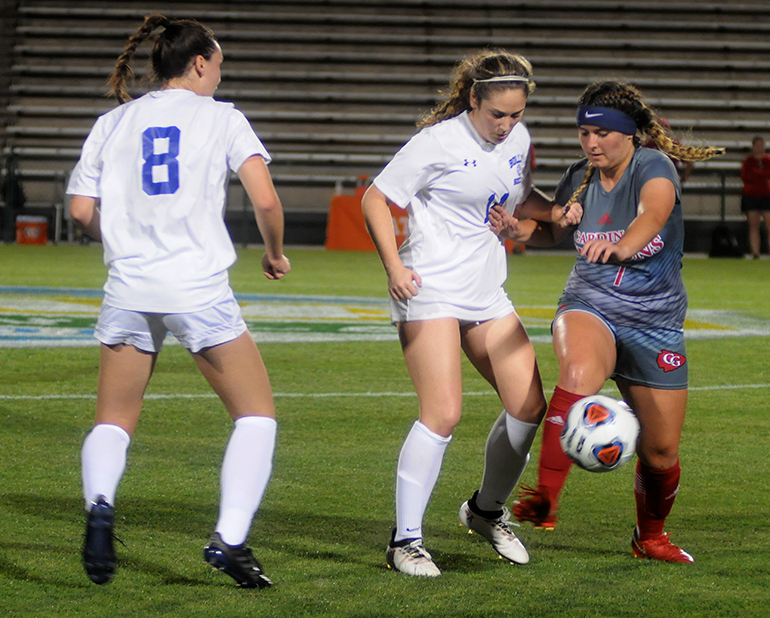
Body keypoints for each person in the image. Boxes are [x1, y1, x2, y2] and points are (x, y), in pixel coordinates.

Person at [67, 14, 290, 588]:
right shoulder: (222, 118)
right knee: (257, 416)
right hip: (197, 287)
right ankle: (231, 539)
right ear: (198, 64)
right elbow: (265, 200)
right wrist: (274, 253)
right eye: (217, 65)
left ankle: (99, 506)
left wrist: (123, 241)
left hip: (128, 286)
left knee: (114, 420)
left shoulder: (113, 122)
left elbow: (80, 212)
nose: (219, 75)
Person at [361, 49, 579, 578]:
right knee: (443, 414)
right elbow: (374, 198)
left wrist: (550, 212)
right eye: (497, 114)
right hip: (429, 287)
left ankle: (483, 511)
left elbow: (517, 200)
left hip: (484, 292)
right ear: (473, 99)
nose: (507, 126)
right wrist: (393, 266)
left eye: (517, 115)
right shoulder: (437, 143)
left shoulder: (518, 141)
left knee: (529, 409)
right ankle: (404, 542)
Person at [491, 80, 723, 563]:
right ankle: (545, 497)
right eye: (583, 134)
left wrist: (622, 245)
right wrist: (520, 231)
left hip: (656, 322)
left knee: (660, 453)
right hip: (589, 303)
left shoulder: (653, 166)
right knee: (577, 373)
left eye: (602, 134)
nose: (592, 144)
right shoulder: (580, 175)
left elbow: (653, 214)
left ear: (629, 134)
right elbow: (552, 229)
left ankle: (649, 538)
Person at [740, 136, 770, 259]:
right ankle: (755, 253)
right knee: (753, 225)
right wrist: (761, 175)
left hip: (766, 195)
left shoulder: (767, 160)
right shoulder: (748, 161)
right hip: (751, 195)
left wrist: (758, 175)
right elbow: (746, 177)